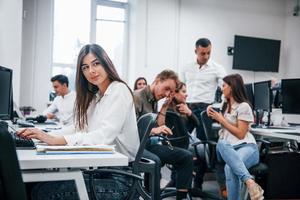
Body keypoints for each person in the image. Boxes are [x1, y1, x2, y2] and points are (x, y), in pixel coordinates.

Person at [19, 44, 139, 161]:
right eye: (85, 67)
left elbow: (103, 136)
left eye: (96, 64)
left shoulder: (119, 90)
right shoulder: (96, 96)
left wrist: (56, 140)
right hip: (100, 162)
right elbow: (79, 128)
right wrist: (46, 135)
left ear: (106, 63)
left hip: (119, 169)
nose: (91, 71)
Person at [134, 70, 193, 200]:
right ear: (157, 80)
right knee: (155, 161)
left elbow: (158, 125)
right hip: (135, 147)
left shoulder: (153, 99)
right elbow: (131, 130)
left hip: (147, 145)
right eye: (166, 88)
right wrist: (154, 131)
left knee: (186, 156)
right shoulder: (137, 97)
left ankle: (181, 197)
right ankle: (153, 196)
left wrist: (165, 106)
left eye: (170, 92)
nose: (166, 94)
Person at [207, 74, 264, 200]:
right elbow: (211, 107)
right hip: (227, 149)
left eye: (224, 85)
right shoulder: (225, 106)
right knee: (221, 143)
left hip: (247, 147)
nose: (222, 89)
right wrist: (210, 110)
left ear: (231, 87)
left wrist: (222, 120)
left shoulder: (244, 106)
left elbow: (241, 134)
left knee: (230, 168)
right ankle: (250, 182)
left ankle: (249, 185)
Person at [180, 37, 226, 191]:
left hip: (205, 109)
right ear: (196, 51)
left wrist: (221, 106)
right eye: (203, 53)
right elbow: (181, 87)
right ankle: (177, 181)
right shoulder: (187, 67)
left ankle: (198, 183)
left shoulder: (217, 68)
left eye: (208, 53)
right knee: (178, 141)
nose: (206, 56)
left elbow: (226, 89)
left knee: (202, 146)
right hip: (188, 108)